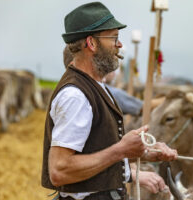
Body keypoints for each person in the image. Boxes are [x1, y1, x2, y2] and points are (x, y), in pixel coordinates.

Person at [41, 2, 177, 200]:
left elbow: (95, 149)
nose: (119, 45)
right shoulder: (75, 96)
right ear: (92, 43)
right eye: (114, 38)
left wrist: (144, 152)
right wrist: (121, 149)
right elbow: (60, 171)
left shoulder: (94, 85)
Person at [63, 45, 165, 116]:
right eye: (97, 59)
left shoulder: (68, 89)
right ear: (74, 64)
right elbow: (142, 107)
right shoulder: (108, 93)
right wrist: (167, 100)